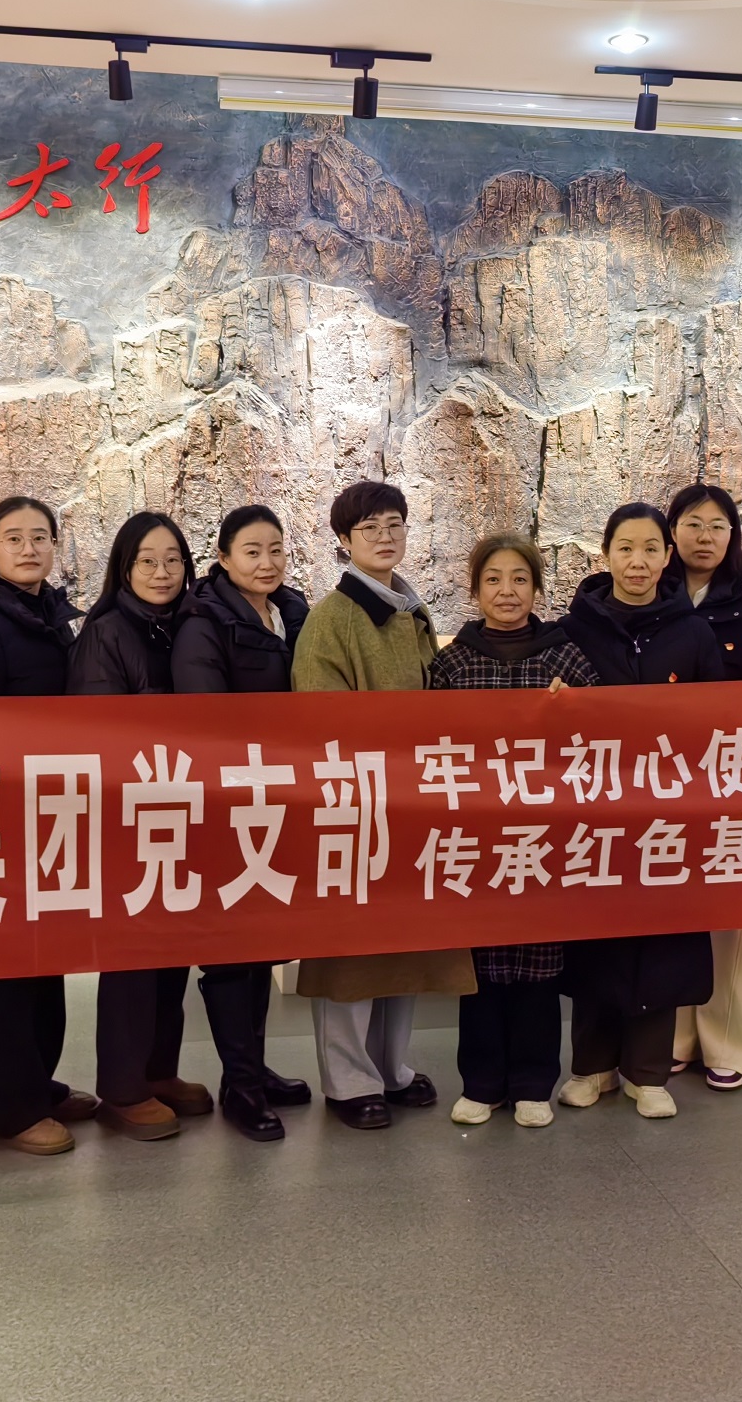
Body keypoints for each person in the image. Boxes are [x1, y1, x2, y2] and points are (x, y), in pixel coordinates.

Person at [291, 480, 472, 1130]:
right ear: (344, 540)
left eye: (394, 524)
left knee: (402, 945)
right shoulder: (332, 618)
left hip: (413, 804)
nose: (385, 536)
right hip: (359, 805)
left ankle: (391, 1068)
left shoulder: (409, 610)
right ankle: (348, 1082)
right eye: (369, 528)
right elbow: (319, 717)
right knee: (352, 954)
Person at [0, 496, 97, 1154]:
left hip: (45, 813)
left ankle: (38, 1084)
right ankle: (8, 1109)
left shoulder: (48, 612)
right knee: (0, 966)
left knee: (43, 960)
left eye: (40, 537)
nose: (29, 549)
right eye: (14, 538)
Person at [556, 503, 722, 1119]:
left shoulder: (692, 632)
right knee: (596, 936)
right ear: (605, 555)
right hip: (594, 815)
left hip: (668, 815)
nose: (638, 561)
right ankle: (591, 1067)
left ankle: (648, 1073)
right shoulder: (573, 629)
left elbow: (719, 723)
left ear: (667, 556)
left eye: (651, 548)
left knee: (662, 940)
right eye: (625, 548)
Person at [427, 533, 598, 1128]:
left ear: (537, 589)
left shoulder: (568, 659)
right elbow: (427, 750)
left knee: (538, 967)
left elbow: (600, 745)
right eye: (494, 580)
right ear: (475, 590)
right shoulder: (451, 664)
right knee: (479, 966)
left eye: (520, 579)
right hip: (476, 840)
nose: (507, 591)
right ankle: (481, 1083)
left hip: (543, 840)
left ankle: (532, 1082)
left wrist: (575, 707)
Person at [170, 504, 317, 1142]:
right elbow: (204, 718)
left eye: (276, 550)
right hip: (227, 802)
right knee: (230, 950)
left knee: (262, 940)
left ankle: (255, 1069)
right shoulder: (203, 621)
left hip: (279, 797)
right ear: (224, 558)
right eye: (252, 551)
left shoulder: (292, 610)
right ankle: (240, 1086)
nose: (267, 562)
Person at [68, 510, 215, 1141]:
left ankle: (158, 1072)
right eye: (148, 561)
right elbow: (98, 733)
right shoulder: (106, 631)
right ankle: (123, 1089)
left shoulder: (187, 625)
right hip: (128, 818)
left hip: (181, 809)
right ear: (124, 569)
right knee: (131, 958)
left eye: (173, 560)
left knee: (172, 952)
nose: (162, 572)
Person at [662, 484, 742, 1092]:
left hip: (733, 777)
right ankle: (674, 1038)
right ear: (672, 531)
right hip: (663, 780)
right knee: (672, 910)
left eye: (718, 526)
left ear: (733, 536)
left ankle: (731, 1046)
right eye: (693, 523)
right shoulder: (649, 592)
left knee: (734, 919)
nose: (705, 536)